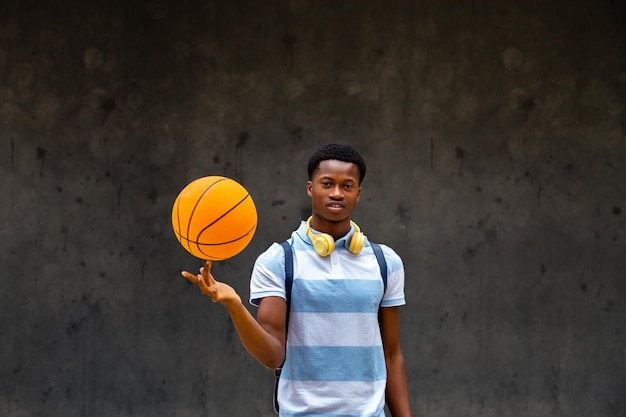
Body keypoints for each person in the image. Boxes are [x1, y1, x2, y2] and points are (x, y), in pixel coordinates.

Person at [182, 142, 412, 416]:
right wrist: (235, 306)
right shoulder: (279, 261)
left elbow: (392, 355)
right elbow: (273, 356)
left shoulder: (386, 262)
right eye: (327, 183)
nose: (337, 193)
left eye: (347, 186)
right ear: (310, 188)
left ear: (358, 193)